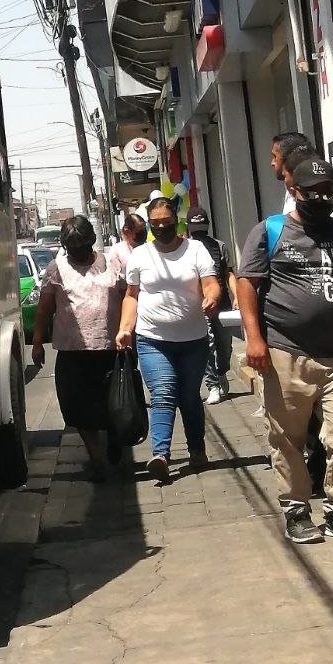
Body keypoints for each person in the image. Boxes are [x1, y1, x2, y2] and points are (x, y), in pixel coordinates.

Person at [237, 157, 333, 544]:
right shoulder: (270, 231)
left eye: (327, 192)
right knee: (288, 438)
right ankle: (297, 509)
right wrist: (254, 338)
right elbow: (247, 284)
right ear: (293, 192)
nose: (321, 198)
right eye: (312, 193)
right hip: (284, 354)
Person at [116, 197, 221, 482]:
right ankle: (160, 455)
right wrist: (126, 328)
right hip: (152, 339)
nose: (161, 228)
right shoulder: (140, 256)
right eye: (155, 224)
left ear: (177, 221)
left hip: (193, 340)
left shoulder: (196, 250)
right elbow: (131, 296)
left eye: (167, 223)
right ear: (149, 226)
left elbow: (211, 284)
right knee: (163, 392)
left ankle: (197, 449)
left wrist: (211, 298)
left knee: (189, 397)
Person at [31, 216, 124, 480]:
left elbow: (128, 297)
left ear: (92, 242)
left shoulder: (111, 264)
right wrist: (37, 342)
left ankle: (115, 437)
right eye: (72, 249)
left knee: (113, 403)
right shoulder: (55, 269)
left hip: (110, 349)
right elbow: (45, 309)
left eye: (82, 247)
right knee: (79, 408)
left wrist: (130, 334)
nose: (78, 254)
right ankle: (96, 458)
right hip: (72, 353)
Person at [185, 206, 237, 404]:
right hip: (199, 306)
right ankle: (212, 384)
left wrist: (237, 296)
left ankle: (222, 371)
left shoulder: (220, 246)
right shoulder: (186, 249)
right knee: (208, 346)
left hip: (222, 304)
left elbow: (229, 273)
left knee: (225, 345)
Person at [270, 132, 312, 215]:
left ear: (288, 159)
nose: (272, 163)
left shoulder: (310, 193)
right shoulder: (289, 186)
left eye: (275, 157)